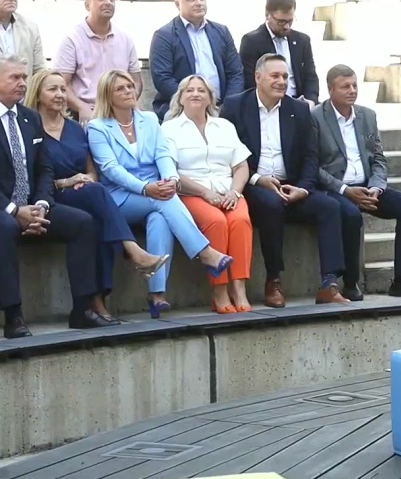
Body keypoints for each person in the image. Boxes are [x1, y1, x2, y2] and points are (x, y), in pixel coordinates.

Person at [24, 69, 168, 322]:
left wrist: (85, 179)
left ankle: (99, 299)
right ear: (37, 94)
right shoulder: (30, 130)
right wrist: (68, 182)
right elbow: (31, 179)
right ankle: (132, 252)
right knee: (96, 203)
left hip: (84, 193)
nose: (60, 94)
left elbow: (92, 171)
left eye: (63, 89)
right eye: (52, 89)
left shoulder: (76, 128)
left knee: (96, 219)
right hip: (51, 196)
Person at [88, 70, 233, 318]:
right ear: (107, 96)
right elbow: (111, 169)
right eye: (120, 89)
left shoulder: (149, 119)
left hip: (154, 191)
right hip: (119, 197)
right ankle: (205, 253)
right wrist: (145, 188)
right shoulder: (98, 127)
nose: (128, 91)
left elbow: (163, 154)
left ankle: (157, 296)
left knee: (160, 217)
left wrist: (171, 180)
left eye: (130, 86)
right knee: (164, 202)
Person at [221, 54, 351, 307]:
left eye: (285, 76)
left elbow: (311, 156)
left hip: (291, 185)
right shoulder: (235, 106)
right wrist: (258, 179)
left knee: (330, 207)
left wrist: (303, 188)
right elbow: (227, 154)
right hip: (253, 184)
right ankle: (273, 280)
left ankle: (329, 283)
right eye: (275, 76)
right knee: (271, 205)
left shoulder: (299, 110)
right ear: (258, 77)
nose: (281, 81)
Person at [0, 54, 103, 337]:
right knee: (4, 227)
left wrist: (42, 205)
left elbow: (44, 169)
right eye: (15, 77)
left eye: (24, 77)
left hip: (33, 205)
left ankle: (82, 309)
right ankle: (13, 316)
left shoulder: (29, 118)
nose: (22, 83)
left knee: (82, 223)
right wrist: (14, 210)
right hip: (4, 208)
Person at [314, 65, 401, 300]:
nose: (352, 90)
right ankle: (350, 283)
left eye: (355, 85)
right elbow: (313, 167)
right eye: (345, 86)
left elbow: (378, 158)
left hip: (367, 186)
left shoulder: (367, 116)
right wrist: (346, 190)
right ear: (330, 89)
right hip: (336, 189)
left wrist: (376, 188)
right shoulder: (316, 117)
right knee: (351, 215)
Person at [162, 74, 253, 313]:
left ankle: (239, 288)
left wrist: (235, 191)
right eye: (189, 90)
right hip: (192, 192)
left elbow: (241, 165)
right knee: (216, 222)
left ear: (210, 98)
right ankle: (219, 290)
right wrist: (204, 193)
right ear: (180, 98)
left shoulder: (225, 126)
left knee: (240, 221)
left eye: (201, 90)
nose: (196, 94)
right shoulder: (169, 129)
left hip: (228, 191)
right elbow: (171, 171)